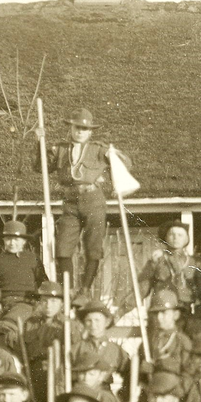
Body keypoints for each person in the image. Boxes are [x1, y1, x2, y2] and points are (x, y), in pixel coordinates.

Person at [38, 108, 132, 294]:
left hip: (93, 199)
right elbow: (40, 166)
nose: (80, 131)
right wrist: (38, 143)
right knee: (63, 247)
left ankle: (85, 290)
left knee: (93, 247)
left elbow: (127, 164)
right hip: (70, 201)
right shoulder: (60, 149)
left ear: (90, 132)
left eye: (84, 128)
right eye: (76, 127)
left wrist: (116, 154)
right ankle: (68, 290)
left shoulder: (98, 149)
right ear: (71, 128)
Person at [0, 220, 41, 318]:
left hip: (26, 303)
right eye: (8, 239)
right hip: (4, 303)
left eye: (16, 239)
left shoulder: (33, 259)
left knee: (14, 320)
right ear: (3, 240)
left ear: (24, 241)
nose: (12, 243)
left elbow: (43, 283)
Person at [140, 220, 196, 310]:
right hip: (161, 309)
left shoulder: (194, 262)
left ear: (186, 239)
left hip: (184, 311)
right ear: (165, 238)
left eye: (180, 235)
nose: (175, 238)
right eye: (171, 234)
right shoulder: (157, 259)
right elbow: (141, 289)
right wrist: (118, 313)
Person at [146, 289, 192, 373]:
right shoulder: (150, 339)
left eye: (164, 313)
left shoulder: (182, 341)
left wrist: (156, 367)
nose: (159, 318)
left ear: (175, 315)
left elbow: (186, 371)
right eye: (156, 313)